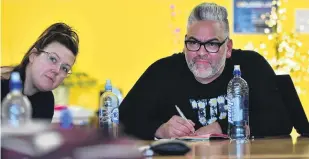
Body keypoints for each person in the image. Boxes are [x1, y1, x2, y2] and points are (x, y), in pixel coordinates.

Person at [119, 2, 293, 140]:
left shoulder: (251, 66)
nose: (201, 53)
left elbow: (281, 120)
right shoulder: (162, 71)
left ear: (229, 48)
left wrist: (222, 127)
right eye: (193, 43)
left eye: (212, 44)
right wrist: (160, 130)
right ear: (185, 42)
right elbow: (122, 120)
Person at [1, 22, 79, 122]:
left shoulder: (47, 101)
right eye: (53, 59)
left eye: (65, 68)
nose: (56, 71)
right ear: (33, 55)